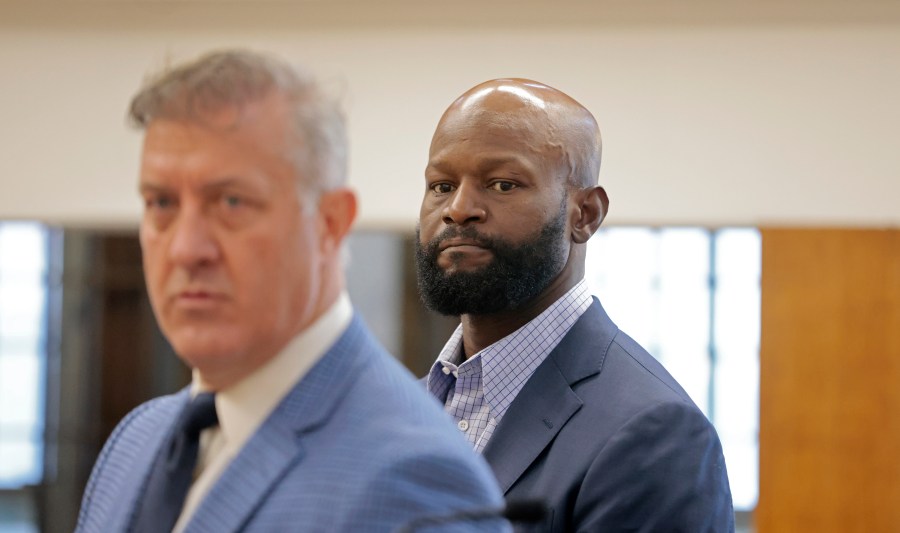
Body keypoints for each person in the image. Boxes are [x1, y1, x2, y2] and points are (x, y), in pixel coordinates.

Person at [75, 50, 507, 533]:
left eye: (231, 202)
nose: (185, 248)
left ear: (329, 223)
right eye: (161, 203)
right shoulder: (136, 442)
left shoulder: (414, 480)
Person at [416, 78, 735, 532]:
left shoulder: (652, 432)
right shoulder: (403, 405)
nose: (459, 208)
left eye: (503, 184)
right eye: (441, 185)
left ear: (584, 215)